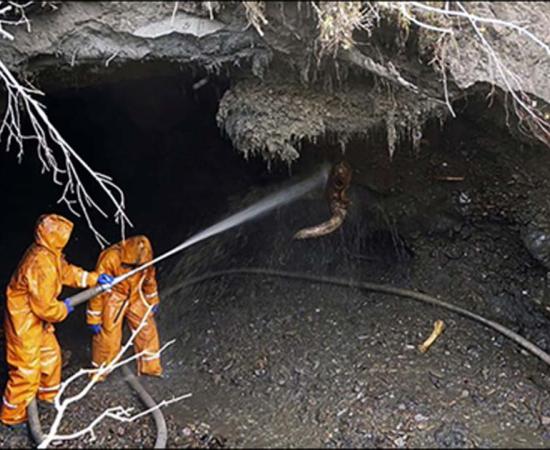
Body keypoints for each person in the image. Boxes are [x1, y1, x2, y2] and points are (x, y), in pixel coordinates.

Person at [1, 214, 113, 427]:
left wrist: (93, 278)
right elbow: (45, 308)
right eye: (63, 235)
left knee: (51, 357)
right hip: (23, 323)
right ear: (54, 236)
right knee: (26, 370)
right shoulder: (40, 263)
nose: (66, 238)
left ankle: (47, 399)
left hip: (36, 322)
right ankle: (11, 417)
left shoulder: (50, 254)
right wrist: (64, 308)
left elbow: (66, 272)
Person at [86, 235, 162, 380]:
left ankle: (151, 368)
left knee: (147, 330)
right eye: (132, 266)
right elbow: (97, 290)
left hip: (135, 296)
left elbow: (149, 280)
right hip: (114, 297)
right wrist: (94, 317)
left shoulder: (146, 260)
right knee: (108, 337)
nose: (135, 269)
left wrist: (152, 299)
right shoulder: (111, 258)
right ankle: (100, 372)